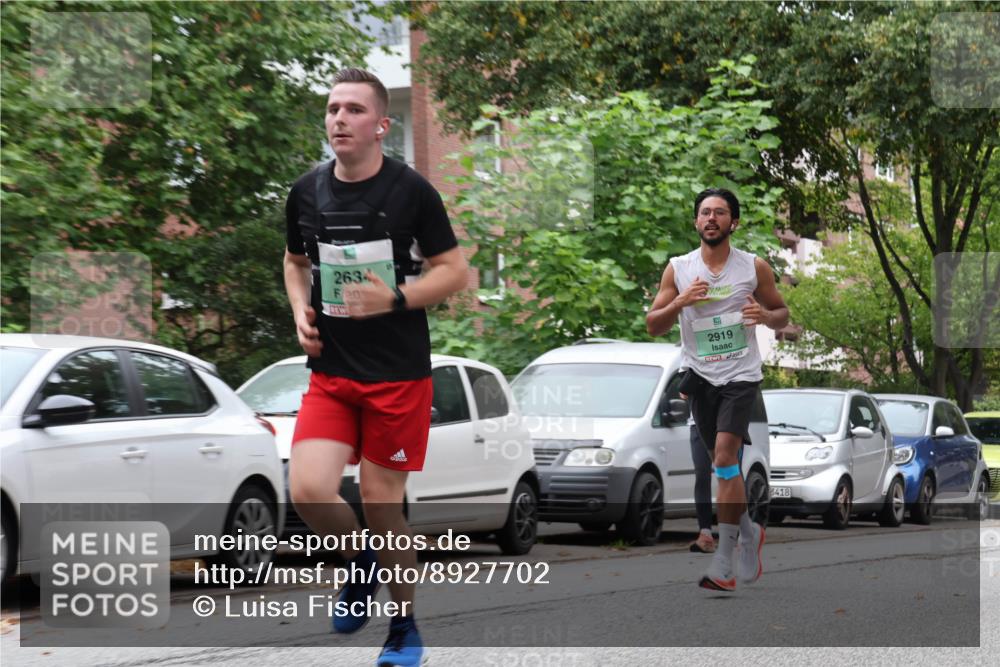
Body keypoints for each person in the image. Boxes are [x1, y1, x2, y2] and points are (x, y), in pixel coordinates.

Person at [283, 67, 467, 666]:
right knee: (309, 489)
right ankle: (360, 560)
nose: (339, 117)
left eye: (354, 110)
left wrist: (392, 298)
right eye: (333, 108)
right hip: (332, 371)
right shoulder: (306, 192)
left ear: (381, 125)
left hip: (397, 375)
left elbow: (453, 272)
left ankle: (403, 626)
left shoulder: (411, 192)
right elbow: (293, 261)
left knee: (385, 507)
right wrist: (299, 312)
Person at [646, 187, 788, 591]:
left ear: (733, 222)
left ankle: (723, 562)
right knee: (722, 468)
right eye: (705, 212)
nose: (711, 218)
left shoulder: (753, 268)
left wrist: (764, 314)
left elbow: (782, 313)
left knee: (726, 459)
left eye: (720, 213)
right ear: (696, 222)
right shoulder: (679, 268)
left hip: (740, 376)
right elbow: (653, 324)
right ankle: (748, 531)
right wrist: (681, 302)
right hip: (700, 377)